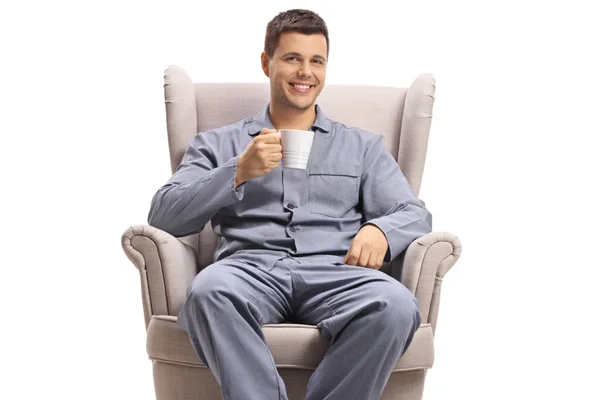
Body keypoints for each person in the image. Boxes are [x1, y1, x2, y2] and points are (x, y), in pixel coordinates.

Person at [147, 8, 432, 400]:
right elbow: (164, 214)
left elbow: (415, 213)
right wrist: (237, 171)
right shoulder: (217, 144)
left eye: (317, 61)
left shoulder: (362, 147)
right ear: (267, 63)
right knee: (207, 293)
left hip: (336, 273)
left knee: (397, 305)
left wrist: (380, 229)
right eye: (293, 58)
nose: (306, 72)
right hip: (247, 270)